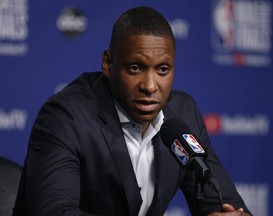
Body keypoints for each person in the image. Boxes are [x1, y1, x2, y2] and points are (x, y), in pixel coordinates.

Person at [13, 6, 252, 216]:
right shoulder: (66, 117)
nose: (149, 86)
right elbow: (55, 212)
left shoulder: (183, 115)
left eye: (162, 70)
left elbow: (228, 206)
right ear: (108, 63)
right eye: (136, 68)